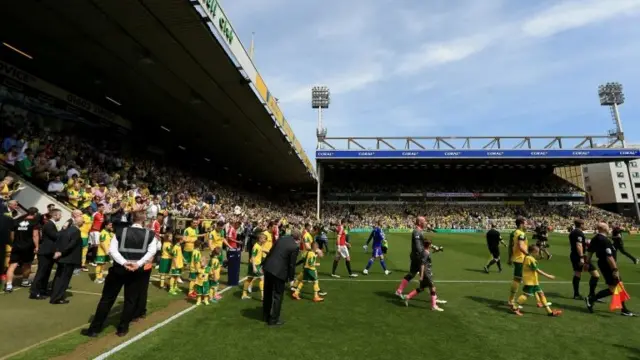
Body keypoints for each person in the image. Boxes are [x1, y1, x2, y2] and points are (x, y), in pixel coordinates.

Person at [81, 211, 158, 337]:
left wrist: (123, 263)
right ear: (144, 220)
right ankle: (123, 328)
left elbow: (112, 250)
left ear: (131, 219)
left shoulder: (121, 231)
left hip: (118, 270)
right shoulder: (150, 234)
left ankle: (94, 329)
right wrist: (138, 264)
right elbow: (152, 251)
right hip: (136, 271)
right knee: (130, 300)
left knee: (107, 299)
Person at [585, 222, 635, 316]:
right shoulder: (604, 240)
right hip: (608, 265)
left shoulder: (596, 238)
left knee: (619, 286)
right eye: (607, 226)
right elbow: (609, 257)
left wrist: (587, 262)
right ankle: (591, 299)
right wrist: (615, 270)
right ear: (603, 228)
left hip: (605, 264)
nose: (609, 228)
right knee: (613, 289)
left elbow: (590, 252)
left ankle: (624, 309)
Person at [262, 229, 301, 326]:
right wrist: (291, 279)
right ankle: (273, 319)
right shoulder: (294, 247)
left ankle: (265, 315)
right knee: (278, 295)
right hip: (279, 272)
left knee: (267, 292)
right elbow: (291, 264)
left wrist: (264, 265)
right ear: (298, 238)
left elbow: (271, 252)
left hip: (268, 268)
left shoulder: (280, 239)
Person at [510, 245, 562, 317]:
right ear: (534, 251)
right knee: (526, 295)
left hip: (533, 281)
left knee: (541, 294)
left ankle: (550, 312)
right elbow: (537, 270)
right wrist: (548, 276)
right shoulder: (530, 259)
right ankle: (515, 308)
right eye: (537, 252)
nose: (538, 253)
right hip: (530, 281)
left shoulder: (529, 258)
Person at [396, 217, 442, 297]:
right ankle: (434, 298)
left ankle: (399, 290)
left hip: (416, 256)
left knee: (412, 274)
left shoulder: (419, 231)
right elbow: (418, 247)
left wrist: (434, 247)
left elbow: (424, 243)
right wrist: (425, 254)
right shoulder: (417, 232)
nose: (426, 223)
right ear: (420, 222)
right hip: (418, 257)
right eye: (424, 221)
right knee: (427, 277)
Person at [401, 238, 446, 311]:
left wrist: (436, 250)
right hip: (426, 273)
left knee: (421, 288)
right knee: (433, 288)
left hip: (426, 272)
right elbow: (422, 264)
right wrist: (421, 275)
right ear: (429, 245)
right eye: (431, 245)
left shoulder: (424, 251)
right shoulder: (425, 253)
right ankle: (434, 306)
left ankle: (407, 297)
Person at [49, 214, 84, 304]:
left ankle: (55, 295)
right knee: (64, 279)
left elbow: (58, 241)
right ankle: (57, 297)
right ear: (80, 223)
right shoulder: (76, 231)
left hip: (62, 258)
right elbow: (71, 244)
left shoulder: (66, 230)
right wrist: (61, 252)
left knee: (58, 278)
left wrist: (58, 251)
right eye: (82, 221)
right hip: (68, 259)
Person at [5, 207, 40, 292]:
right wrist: (37, 246)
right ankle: (25, 281)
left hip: (16, 246)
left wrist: (13, 243)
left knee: (12, 265)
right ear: (35, 214)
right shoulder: (34, 222)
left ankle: (9, 285)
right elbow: (35, 235)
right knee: (27, 264)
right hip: (28, 247)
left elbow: (12, 234)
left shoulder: (16, 221)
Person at [30, 208, 62, 299]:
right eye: (59, 215)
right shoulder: (49, 225)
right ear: (55, 215)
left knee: (46, 272)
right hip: (45, 252)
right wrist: (64, 231)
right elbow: (55, 236)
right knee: (41, 272)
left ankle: (42, 290)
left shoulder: (51, 224)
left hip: (49, 252)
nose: (61, 217)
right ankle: (34, 292)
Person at [569, 219, 599, 300]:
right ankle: (591, 295)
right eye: (584, 224)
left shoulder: (574, 232)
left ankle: (577, 294)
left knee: (577, 273)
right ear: (581, 224)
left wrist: (586, 242)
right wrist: (581, 257)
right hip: (579, 256)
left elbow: (580, 243)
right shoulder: (578, 232)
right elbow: (578, 245)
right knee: (595, 275)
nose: (585, 225)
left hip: (576, 255)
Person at [507, 217, 528, 310]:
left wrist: (509, 257)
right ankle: (511, 300)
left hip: (516, 258)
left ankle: (539, 300)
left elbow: (510, 246)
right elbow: (520, 246)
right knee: (517, 279)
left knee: (524, 279)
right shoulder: (521, 234)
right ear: (521, 224)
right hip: (520, 258)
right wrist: (528, 254)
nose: (527, 225)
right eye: (526, 223)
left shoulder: (513, 233)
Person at [242, 233, 265, 301]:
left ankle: (244, 294)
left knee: (249, 279)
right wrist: (254, 267)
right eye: (264, 239)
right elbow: (253, 257)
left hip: (254, 264)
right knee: (262, 278)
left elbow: (261, 251)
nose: (265, 240)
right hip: (255, 265)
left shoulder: (259, 245)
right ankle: (263, 296)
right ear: (260, 239)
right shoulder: (256, 247)